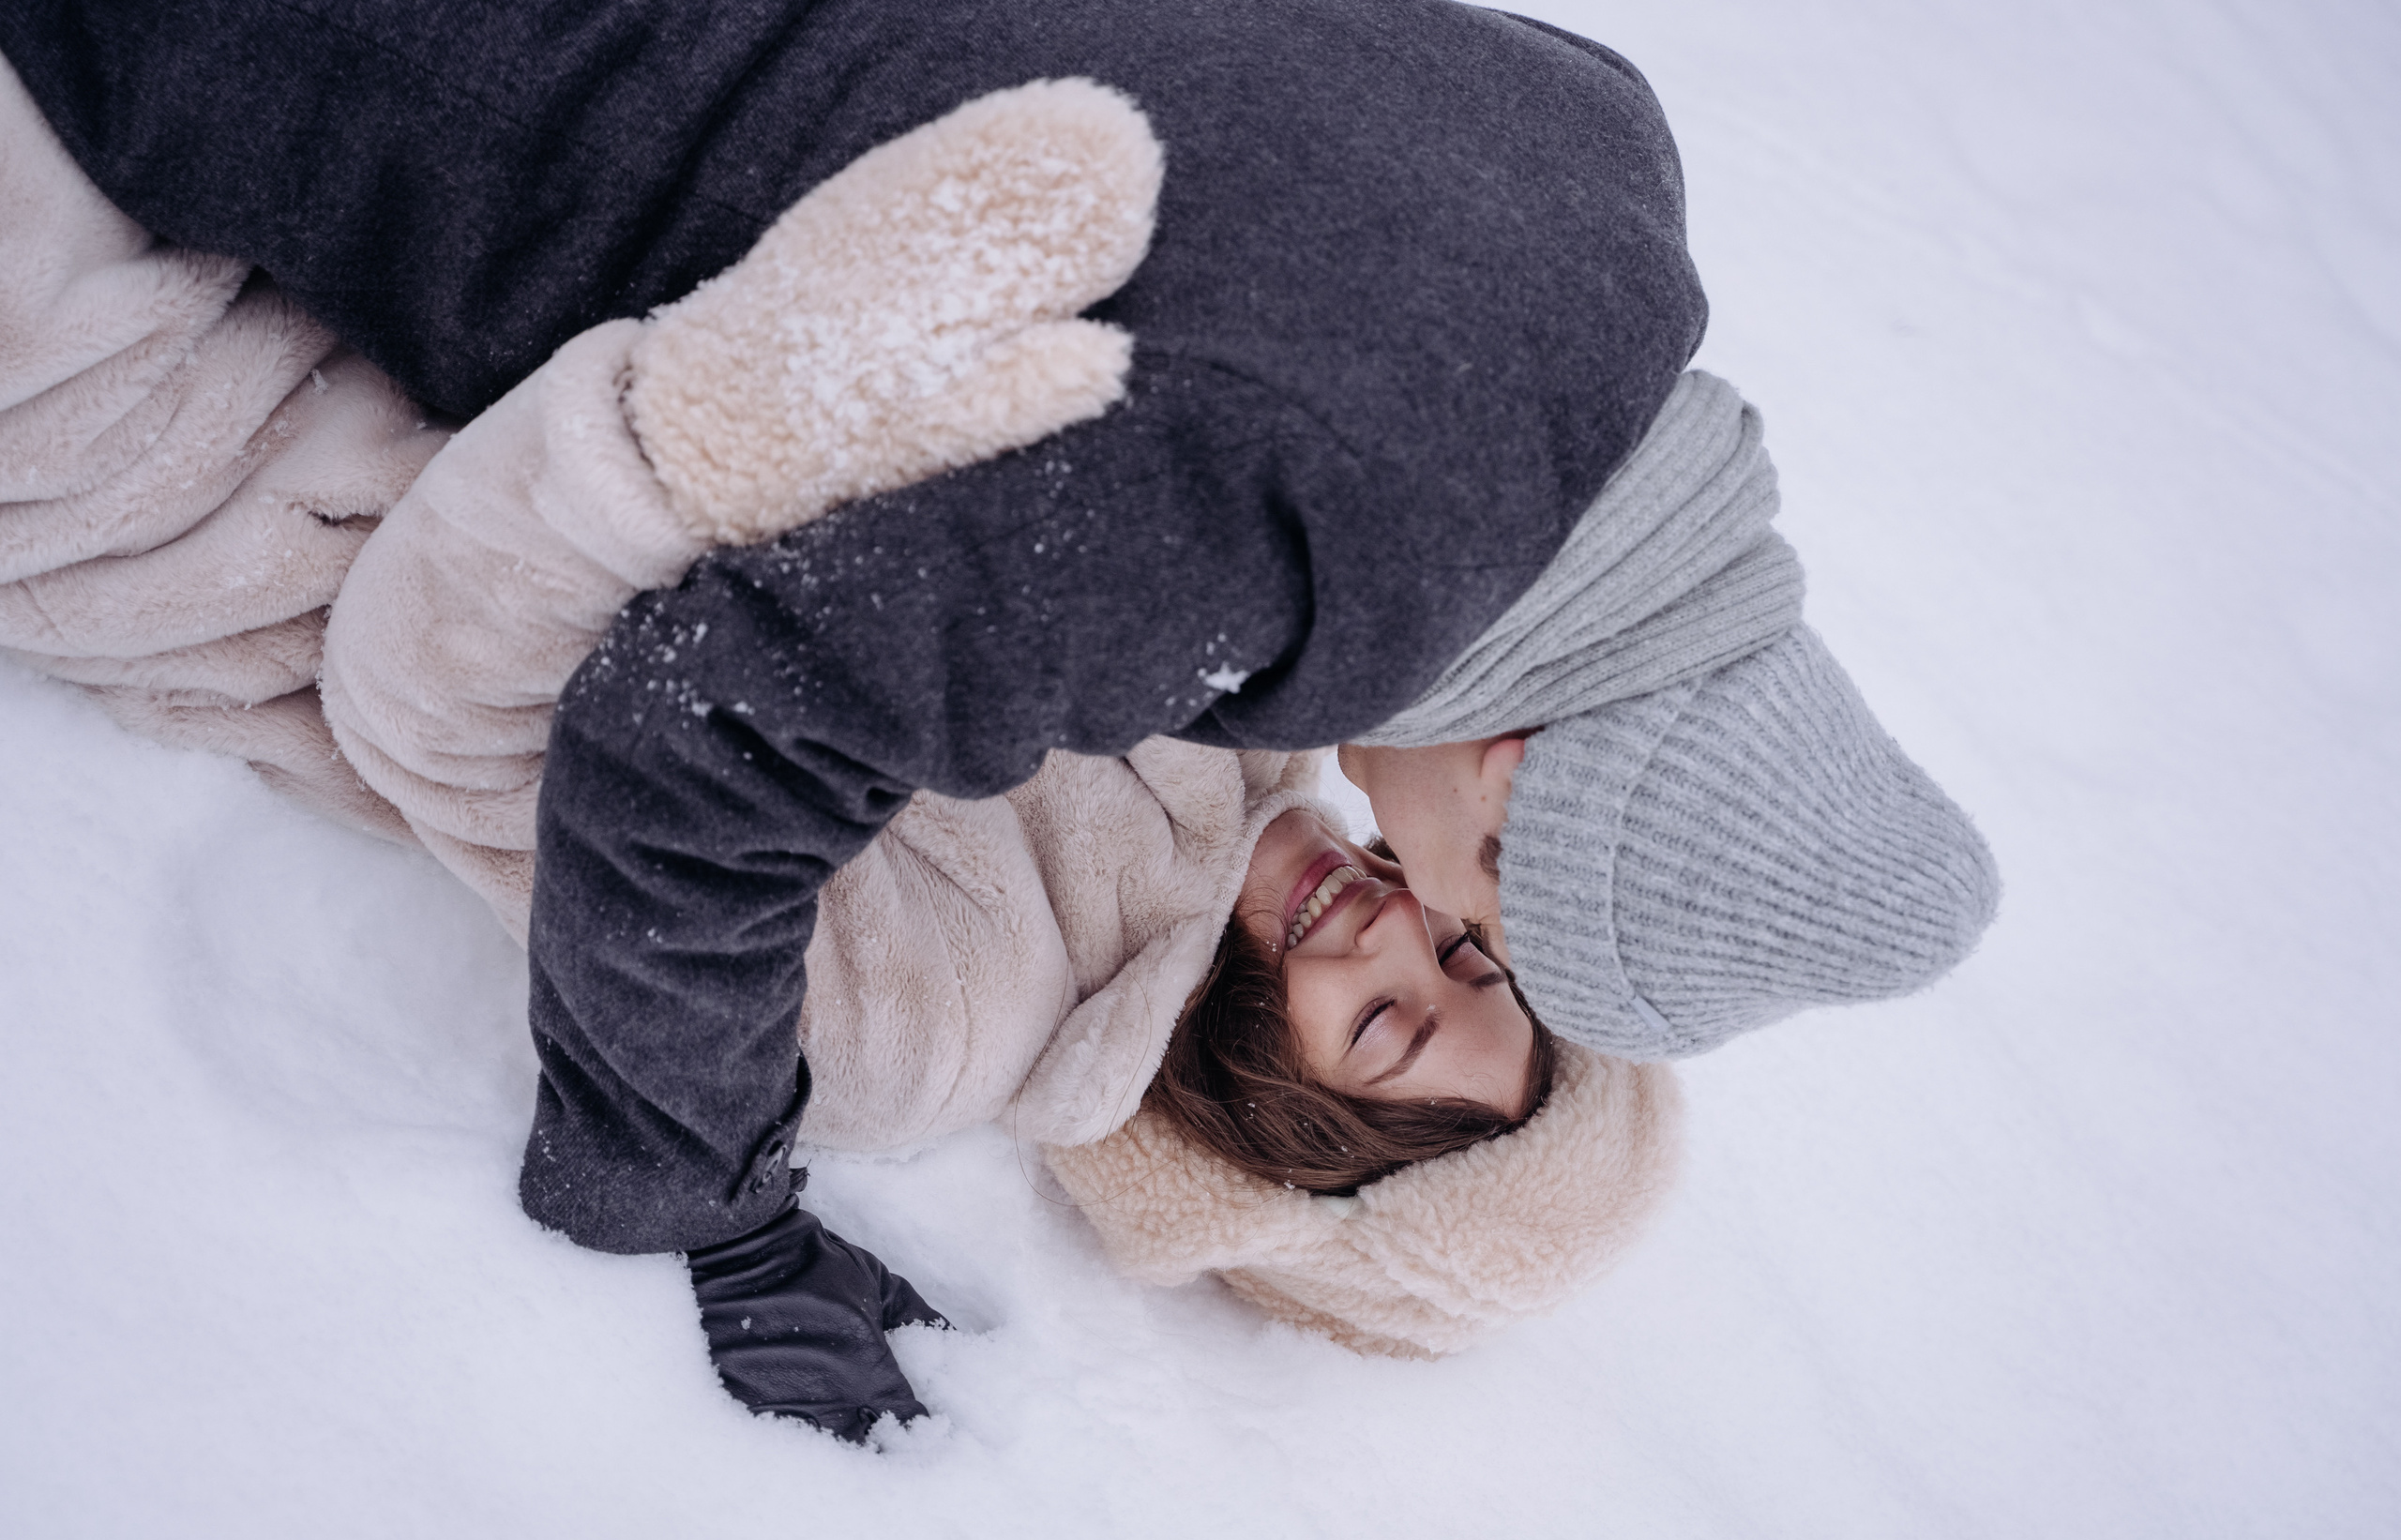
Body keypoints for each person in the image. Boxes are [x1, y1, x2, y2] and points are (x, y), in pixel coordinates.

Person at [0, 0, 1998, 1431]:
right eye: (1475, 916)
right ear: (1525, 762)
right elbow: (707, 727)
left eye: (1400, 1010)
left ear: (1277, 1128)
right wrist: (690, 1196)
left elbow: (552, 712)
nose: (1398, 901)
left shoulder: (1598, 153)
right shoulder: (1279, 567)